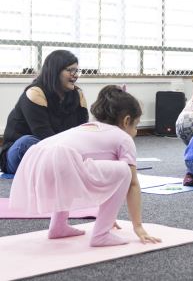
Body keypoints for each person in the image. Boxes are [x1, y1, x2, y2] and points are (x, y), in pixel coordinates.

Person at [9, 85, 161, 247]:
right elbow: (132, 184)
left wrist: (108, 215)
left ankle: (58, 227)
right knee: (125, 172)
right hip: (58, 160)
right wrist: (138, 226)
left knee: (68, 173)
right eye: (136, 125)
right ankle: (101, 234)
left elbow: (106, 179)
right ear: (126, 121)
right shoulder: (124, 138)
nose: (136, 131)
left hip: (37, 159)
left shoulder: (86, 128)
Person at [0, 50, 88, 174]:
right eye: (70, 70)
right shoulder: (35, 92)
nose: (75, 75)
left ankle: (60, 168)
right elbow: (45, 137)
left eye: (77, 70)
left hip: (58, 151)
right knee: (28, 143)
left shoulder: (78, 95)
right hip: (23, 151)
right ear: (55, 71)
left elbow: (82, 132)